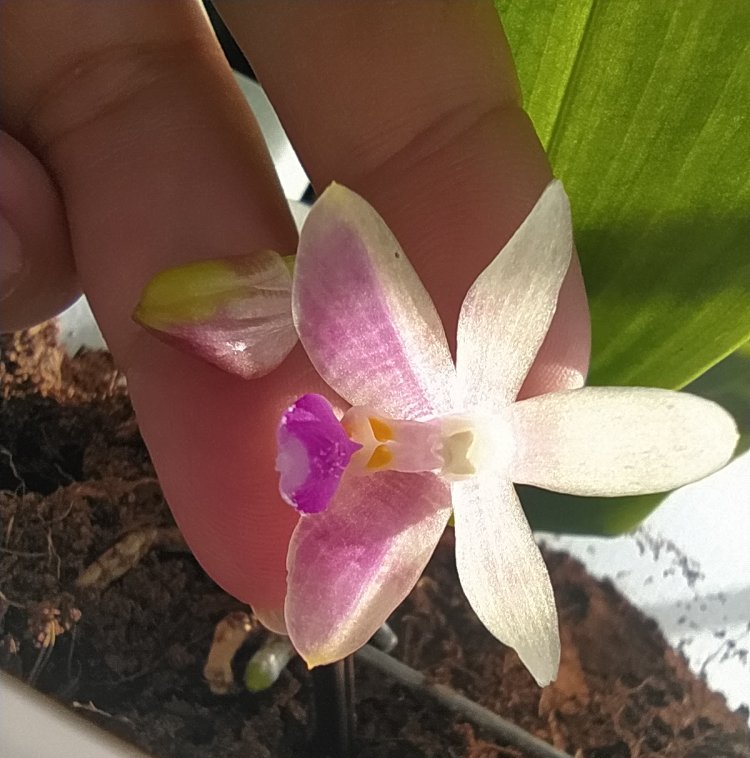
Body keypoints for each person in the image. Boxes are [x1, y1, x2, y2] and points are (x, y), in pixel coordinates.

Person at [0, 1, 590, 622]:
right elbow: (341, 247)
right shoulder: (386, 329)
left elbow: (342, 607)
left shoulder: (456, 516)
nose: (433, 447)